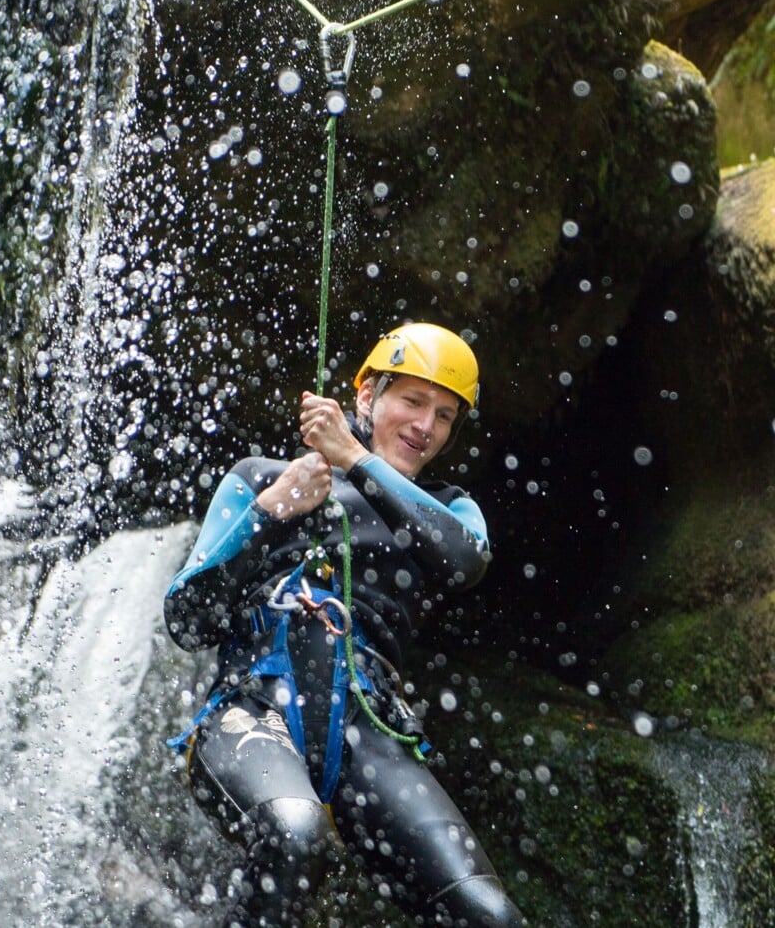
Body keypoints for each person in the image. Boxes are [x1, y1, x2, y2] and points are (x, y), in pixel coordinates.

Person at [164, 322, 524, 927]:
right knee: (293, 831)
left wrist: (354, 459)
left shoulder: (450, 509)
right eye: (411, 401)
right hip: (253, 710)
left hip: (369, 731)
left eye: (443, 416)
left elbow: (462, 562)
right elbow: (187, 617)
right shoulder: (262, 477)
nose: (424, 426)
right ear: (366, 398)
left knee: (487, 914)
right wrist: (270, 512)